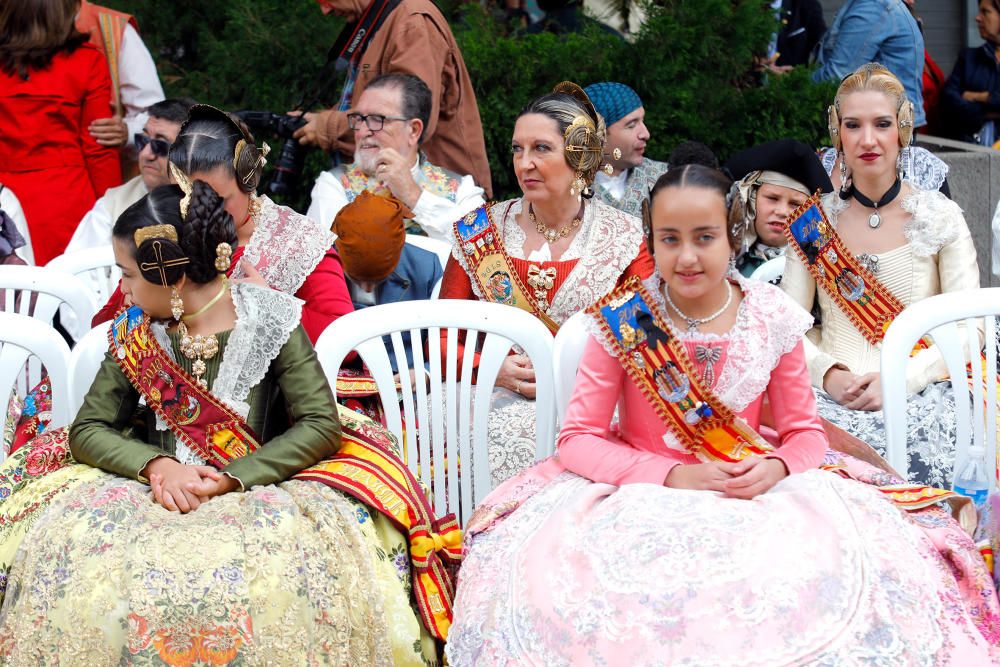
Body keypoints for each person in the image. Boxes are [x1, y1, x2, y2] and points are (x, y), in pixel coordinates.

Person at [445, 164, 1000, 665]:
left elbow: (804, 434)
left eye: (704, 238)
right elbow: (578, 440)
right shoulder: (620, 321)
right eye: (670, 240)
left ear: (733, 237)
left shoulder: (772, 316)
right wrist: (674, 475)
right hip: (636, 494)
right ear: (651, 242)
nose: (687, 257)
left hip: (757, 488)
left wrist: (779, 468)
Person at [0, 181, 449, 664]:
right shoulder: (135, 329)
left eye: (128, 274)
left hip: (263, 484)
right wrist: (156, 465)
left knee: (277, 583)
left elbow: (320, 423)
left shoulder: (273, 318)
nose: (123, 288)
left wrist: (238, 477)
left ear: (167, 273)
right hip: (151, 489)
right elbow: (89, 428)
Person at [440, 82, 654, 484]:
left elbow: (645, 339)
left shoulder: (623, 237)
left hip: (592, 404)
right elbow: (442, 335)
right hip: (490, 399)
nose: (524, 164)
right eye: (518, 150)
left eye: (541, 148)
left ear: (581, 154)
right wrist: (490, 367)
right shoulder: (477, 231)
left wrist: (586, 377)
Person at [782, 63, 979, 488]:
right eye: (853, 125)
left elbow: (970, 328)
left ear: (902, 130)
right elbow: (784, 328)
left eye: (882, 124)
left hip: (925, 393)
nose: (867, 139)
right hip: (827, 397)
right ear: (838, 133)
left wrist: (903, 377)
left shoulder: (939, 216)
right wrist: (829, 375)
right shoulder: (812, 224)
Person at [93, 104, 353, 343]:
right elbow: (100, 330)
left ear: (249, 181)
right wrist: (136, 301)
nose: (200, 213)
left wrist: (273, 305)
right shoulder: (167, 230)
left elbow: (347, 341)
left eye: (217, 200)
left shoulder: (296, 242)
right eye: (184, 198)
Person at [292, 0, 493, 197]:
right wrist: (315, 123)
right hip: (398, 196)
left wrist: (328, 128)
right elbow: (374, 108)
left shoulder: (411, 22)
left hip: (439, 201)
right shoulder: (382, 20)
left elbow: (409, 117)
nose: (325, 10)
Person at [0, 0, 122, 266]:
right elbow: (99, 145)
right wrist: (112, 209)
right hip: (66, 202)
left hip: (5, 197)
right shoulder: (86, 60)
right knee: (69, 291)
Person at [307, 74, 484, 243]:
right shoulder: (333, 184)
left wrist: (413, 196)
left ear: (413, 130)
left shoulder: (462, 189)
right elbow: (325, 259)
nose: (361, 132)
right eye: (359, 119)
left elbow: (485, 249)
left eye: (377, 119)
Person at [67, 98, 195, 253]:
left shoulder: (217, 205)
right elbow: (79, 267)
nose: (146, 154)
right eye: (142, 141)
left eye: (160, 146)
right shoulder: (112, 204)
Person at [334, 190, 442, 371]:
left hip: (408, 381)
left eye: (379, 278)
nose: (367, 289)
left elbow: (447, 340)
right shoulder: (324, 264)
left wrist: (426, 373)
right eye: (356, 278)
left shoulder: (426, 268)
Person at [725, 138, 832, 277]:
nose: (782, 212)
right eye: (772, 198)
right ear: (751, 199)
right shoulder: (726, 260)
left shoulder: (821, 272)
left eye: (795, 204)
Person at [813, 0, 926, 129]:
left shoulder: (874, 7)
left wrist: (791, 82)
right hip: (884, 122)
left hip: (883, 126)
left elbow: (838, 76)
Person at [75, 0, 166, 152]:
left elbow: (156, 115)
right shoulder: (23, 28)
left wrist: (127, 132)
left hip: (111, 167)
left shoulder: (112, 28)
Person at [583, 81, 668, 219]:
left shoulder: (668, 179)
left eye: (642, 121)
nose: (645, 134)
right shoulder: (566, 191)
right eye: (631, 125)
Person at [939, 0, 1000, 146]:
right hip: (972, 153)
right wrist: (988, 113)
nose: (977, 18)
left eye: (985, 12)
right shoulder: (969, 58)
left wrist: (977, 96)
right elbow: (948, 101)